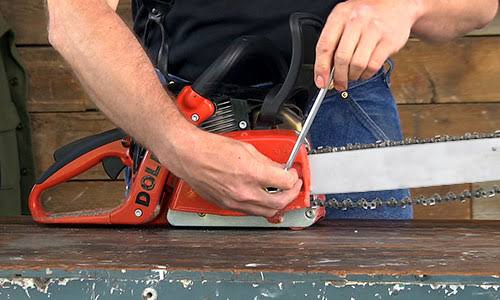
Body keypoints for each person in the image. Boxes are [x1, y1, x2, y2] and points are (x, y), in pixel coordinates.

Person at [45, 0, 497, 219]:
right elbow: (73, 16)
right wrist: (175, 144)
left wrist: (404, 4)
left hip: (341, 107)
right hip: (181, 121)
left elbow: (479, 6)